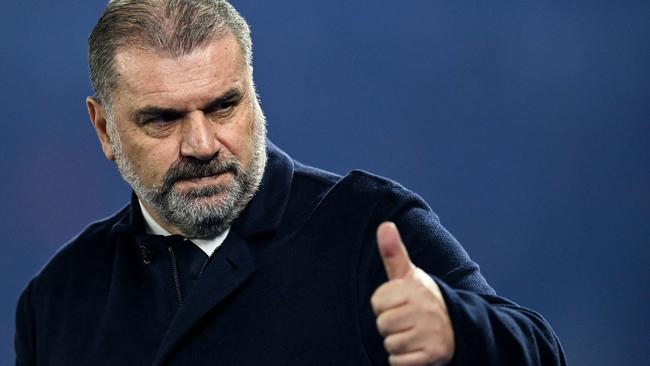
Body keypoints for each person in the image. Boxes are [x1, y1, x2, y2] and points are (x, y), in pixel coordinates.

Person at [15, 1, 567, 365]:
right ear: (105, 128)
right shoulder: (57, 299)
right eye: (163, 119)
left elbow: (543, 353)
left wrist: (460, 331)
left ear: (255, 97)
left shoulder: (369, 230)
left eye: (223, 106)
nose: (202, 145)